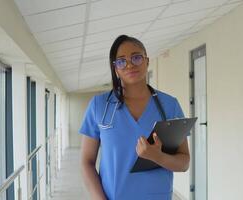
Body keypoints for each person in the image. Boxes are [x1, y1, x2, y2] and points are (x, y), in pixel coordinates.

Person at [79, 35, 190, 200]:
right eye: (122, 61)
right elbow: (86, 162)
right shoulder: (99, 106)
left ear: (147, 61)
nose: (130, 64)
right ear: (115, 68)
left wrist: (158, 157)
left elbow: (184, 162)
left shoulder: (169, 105)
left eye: (136, 57)